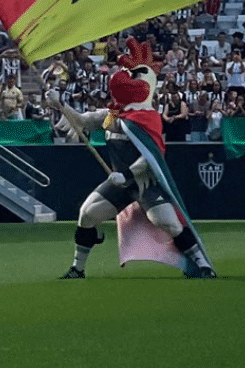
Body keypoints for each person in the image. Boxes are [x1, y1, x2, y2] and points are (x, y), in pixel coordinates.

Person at [49, 40, 216, 280]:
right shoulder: (114, 115)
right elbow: (84, 121)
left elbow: (151, 159)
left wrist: (127, 175)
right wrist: (61, 105)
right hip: (120, 185)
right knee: (86, 215)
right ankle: (78, 268)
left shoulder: (148, 118)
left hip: (144, 183)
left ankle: (200, 264)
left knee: (167, 223)